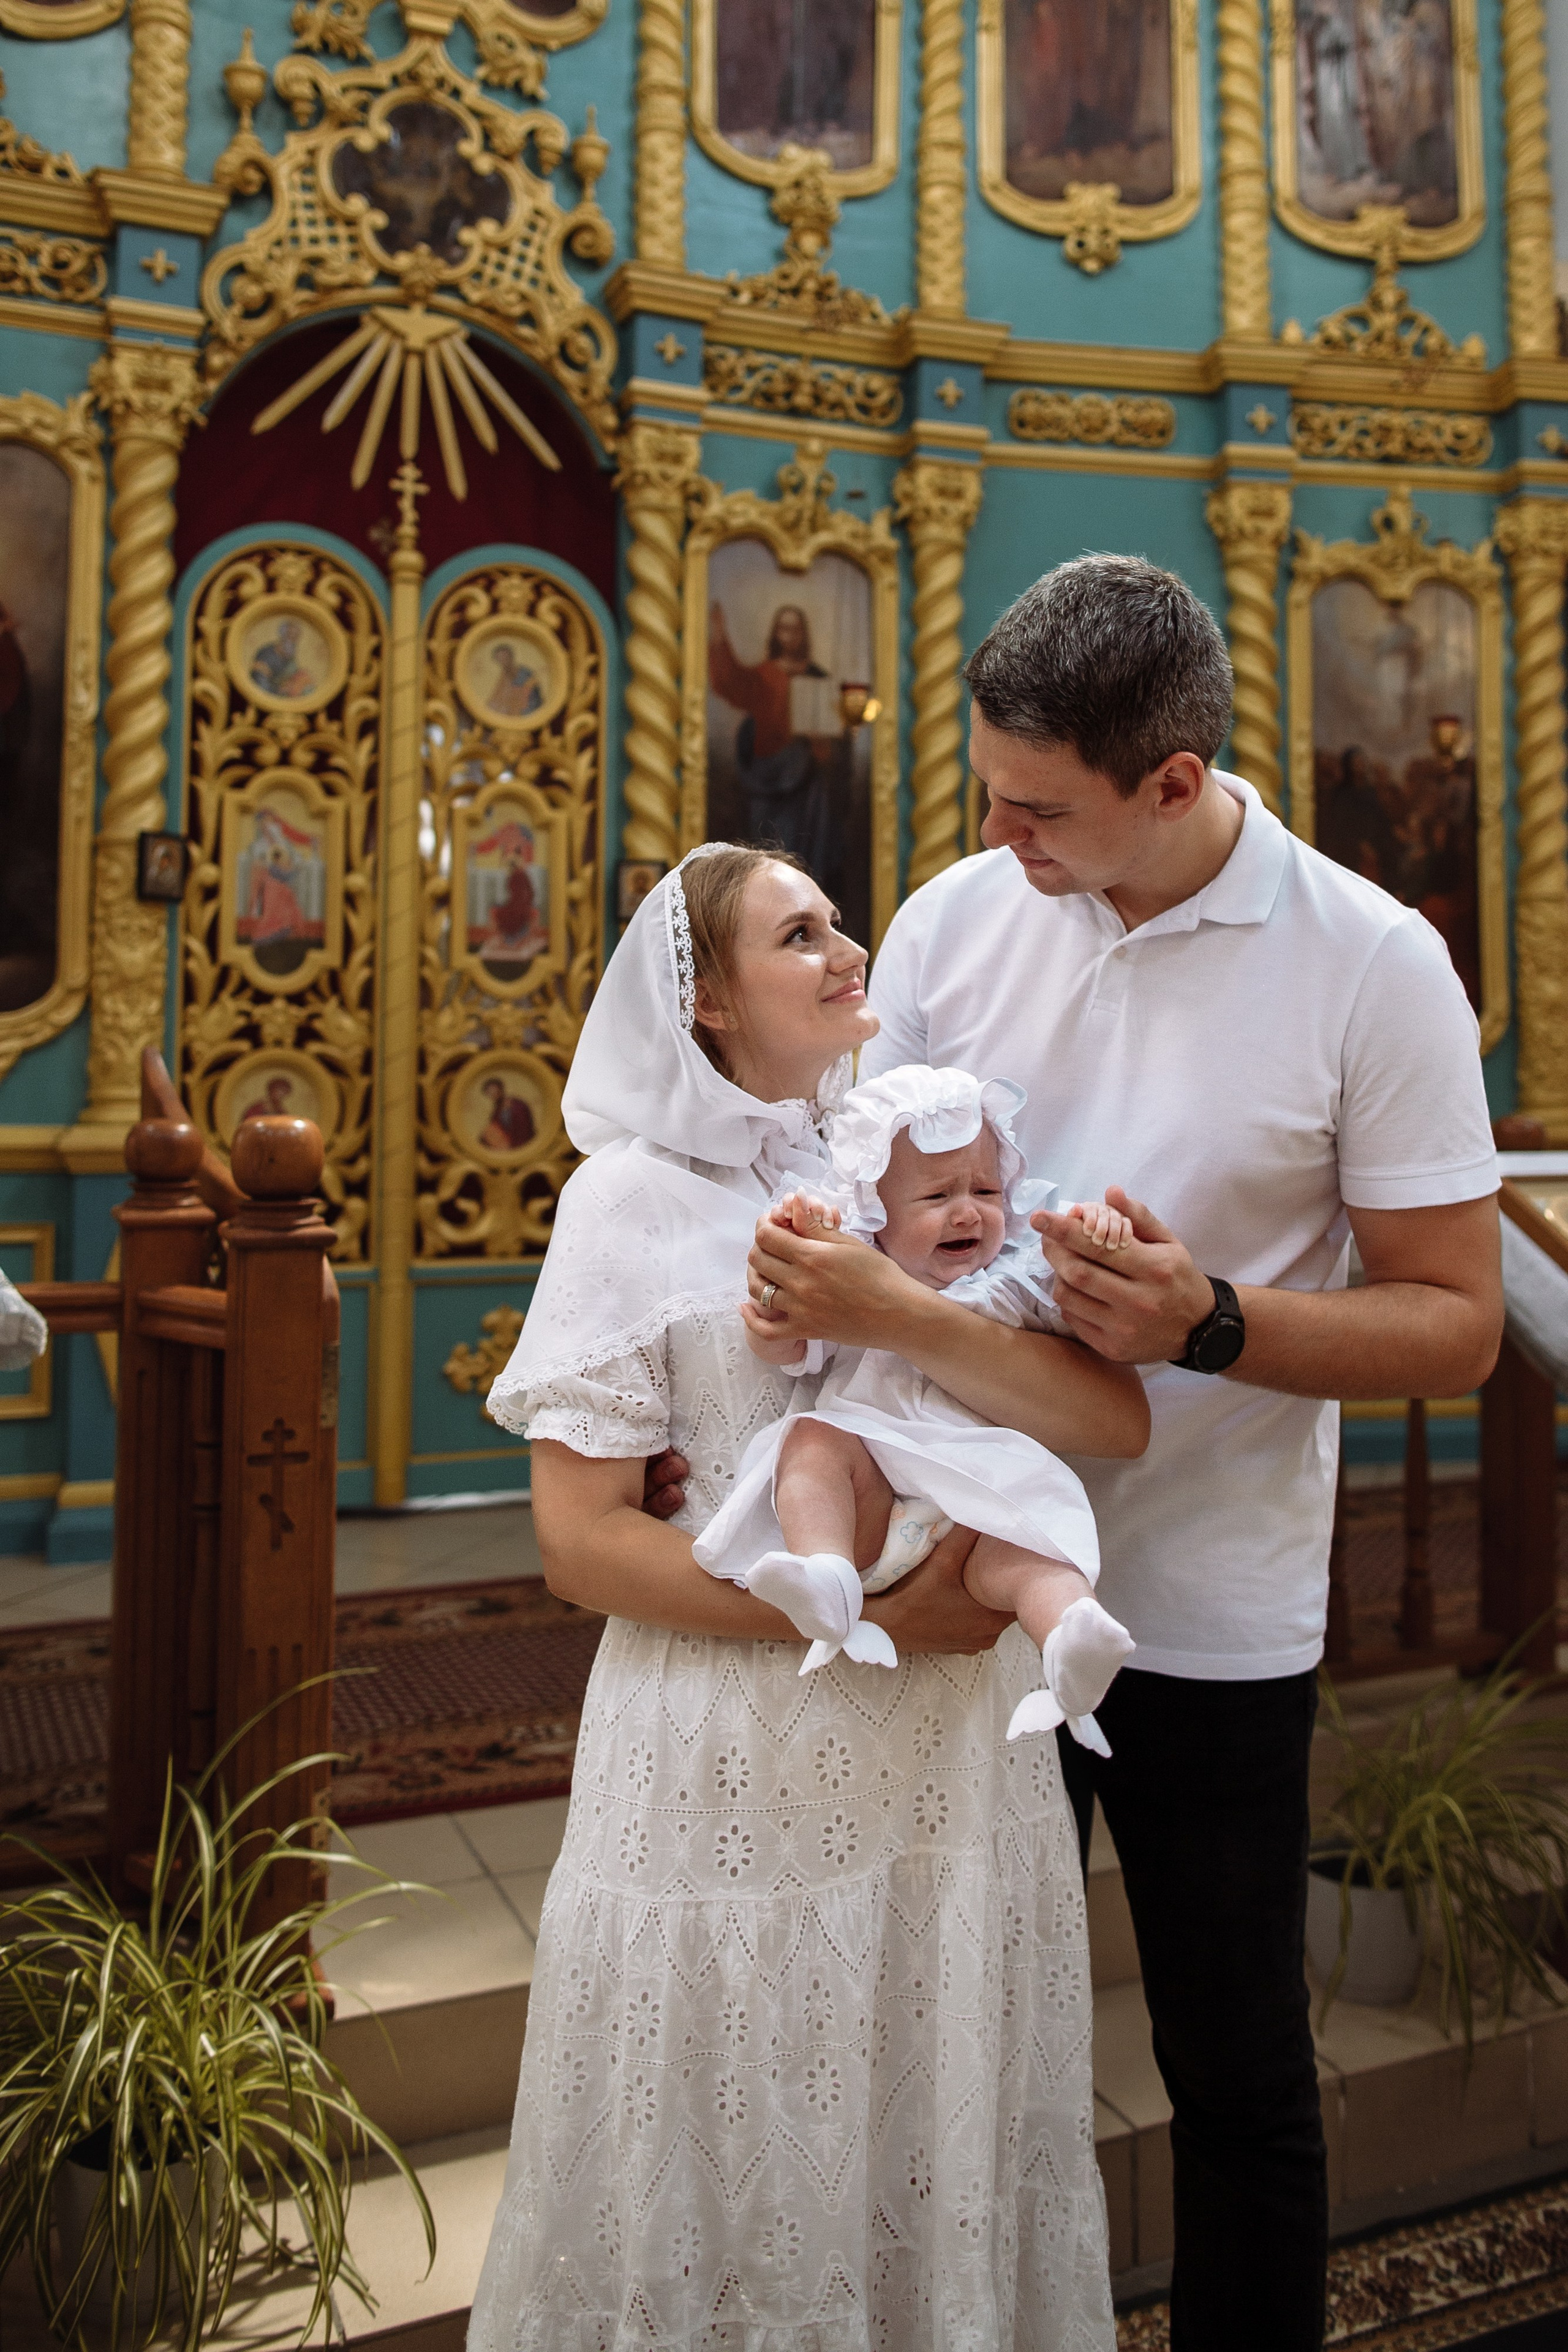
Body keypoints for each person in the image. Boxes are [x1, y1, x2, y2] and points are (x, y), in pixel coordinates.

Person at [740, 557, 1503, 2351]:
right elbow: (856, 1199)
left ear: (1171, 781)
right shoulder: (947, 918)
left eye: (1038, 803)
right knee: (923, 2057)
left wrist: (1207, 1317)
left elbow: (1453, 1320)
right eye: (989, 788)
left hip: (1201, 1604)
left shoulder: (1371, 961)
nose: (994, 829)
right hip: (950, 1577)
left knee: (1231, 2060)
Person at [469, 842, 1148, 2351]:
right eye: (799, 934)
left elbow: (1106, 1419)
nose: (849, 948)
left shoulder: (903, 1153)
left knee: (924, 2107)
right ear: (705, 998)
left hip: (948, 1750)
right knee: (741, 2118)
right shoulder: (626, 1202)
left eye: (838, 921)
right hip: (732, 1739)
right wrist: (879, 1617)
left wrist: (912, 1304)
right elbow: (581, 1543)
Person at [694, 1060, 1136, 1740]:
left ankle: (1070, 1640)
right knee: (811, 1445)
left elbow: (1085, 1302)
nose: (968, 1211)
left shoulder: (1012, 1283)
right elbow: (789, 1352)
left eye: (987, 1189)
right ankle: (825, 1573)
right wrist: (775, 1315)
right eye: (934, 1199)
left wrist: (1097, 1231)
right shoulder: (856, 1287)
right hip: (873, 1493)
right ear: (874, 1213)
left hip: (982, 1498)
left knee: (1029, 1561)